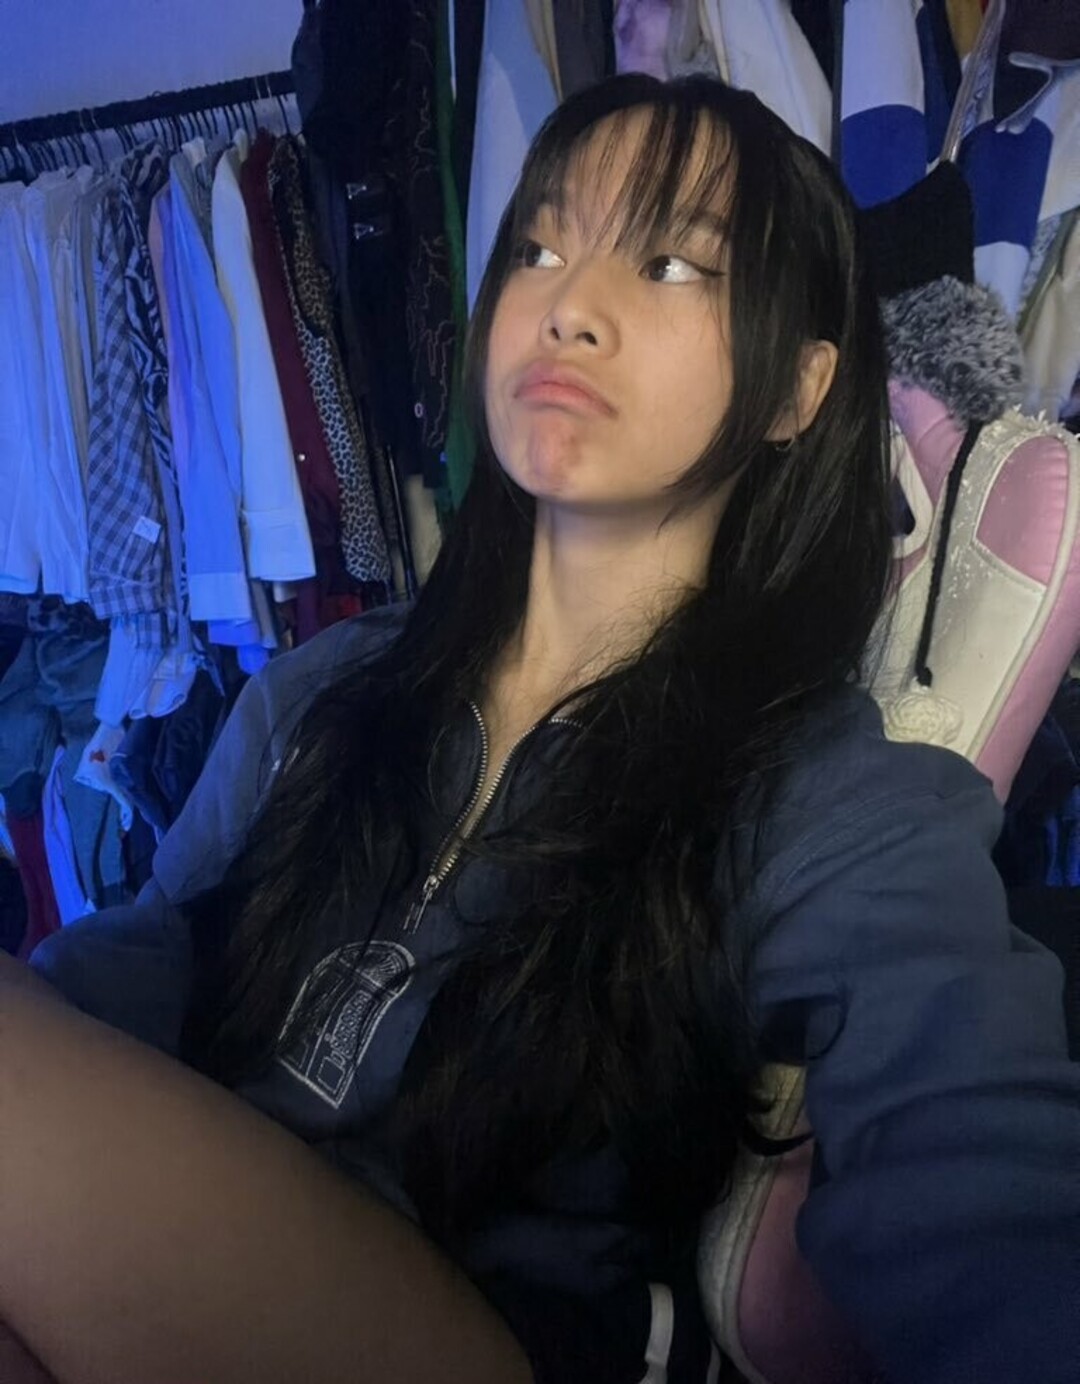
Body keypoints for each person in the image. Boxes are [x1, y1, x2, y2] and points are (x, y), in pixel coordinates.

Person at [1, 72, 1077, 1384]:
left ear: (799, 390)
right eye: (540, 249)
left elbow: (990, 1202)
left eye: (671, 264)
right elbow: (142, 965)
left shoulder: (827, 795)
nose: (569, 306)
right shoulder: (325, 688)